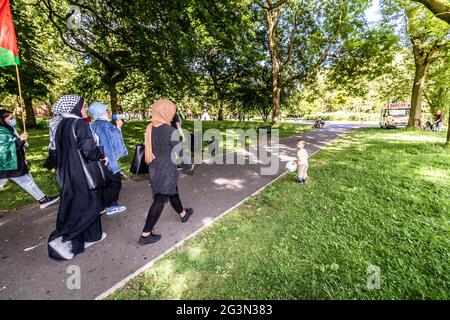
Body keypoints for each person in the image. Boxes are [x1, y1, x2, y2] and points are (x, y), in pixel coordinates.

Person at [48, 95, 108, 261]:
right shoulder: (79, 123)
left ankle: (93, 236)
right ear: (74, 108)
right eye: (83, 107)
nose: (84, 109)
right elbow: (89, 149)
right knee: (91, 204)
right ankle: (64, 238)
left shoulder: (61, 125)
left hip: (68, 171)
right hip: (82, 172)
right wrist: (101, 155)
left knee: (79, 203)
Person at [140, 99, 193, 245]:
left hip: (155, 169)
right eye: (172, 111)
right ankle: (145, 235)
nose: (173, 114)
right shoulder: (168, 131)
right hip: (166, 171)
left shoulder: (151, 127)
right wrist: (189, 166)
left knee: (172, 192)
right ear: (166, 112)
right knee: (159, 201)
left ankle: (183, 214)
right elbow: (180, 151)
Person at [0, 109, 59, 209]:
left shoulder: (8, 128)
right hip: (7, 164)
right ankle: (43, 199)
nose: (13, 120)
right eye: (11, 118)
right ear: (2, 119)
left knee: (26, 181)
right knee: (27, 181)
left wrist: (21, 145)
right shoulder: (1, 131)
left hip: (12, 163)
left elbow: (14, 145)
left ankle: (43, 199)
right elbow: (4, 148)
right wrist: (19, 140)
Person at [89, 102, 128, 216]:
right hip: (108, 158)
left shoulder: (93, 125)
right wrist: (119, 127)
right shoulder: (105, 125)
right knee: (115, 183)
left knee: (105, 184)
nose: (107, 112)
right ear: (101, 113)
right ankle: (112, 206)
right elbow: (113, 142)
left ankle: (103, 205)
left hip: (99, 159)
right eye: (105, 110)